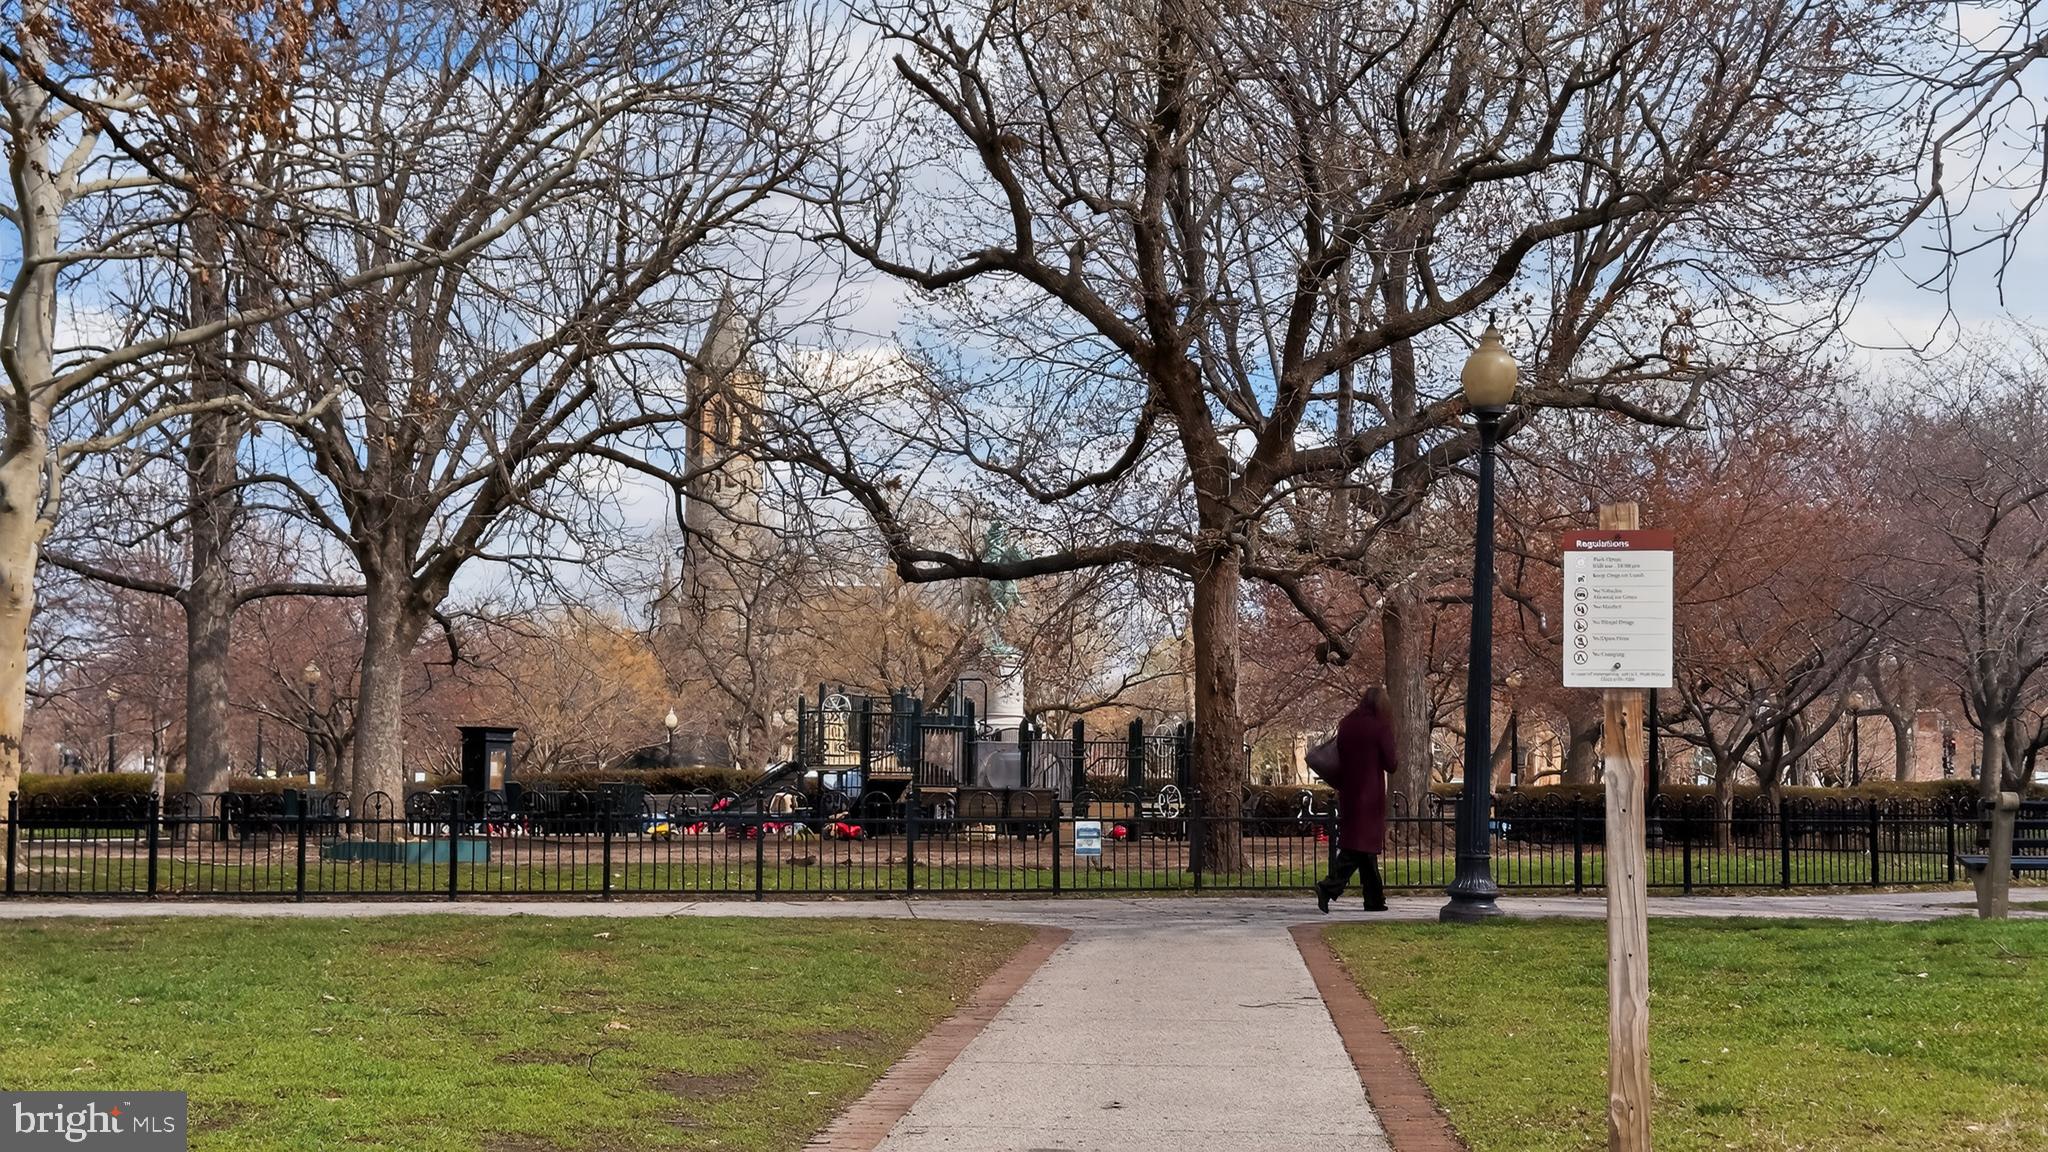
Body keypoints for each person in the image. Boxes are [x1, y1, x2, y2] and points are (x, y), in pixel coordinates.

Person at [1309, 686, 1396, 914]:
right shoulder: (1380, 727)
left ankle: (1374, 899)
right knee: (1359, 848)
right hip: (1371, 794)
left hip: (1349, 791)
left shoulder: (1347, 724)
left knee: (1362, 847)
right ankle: (1329, 887)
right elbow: (1391, 763)